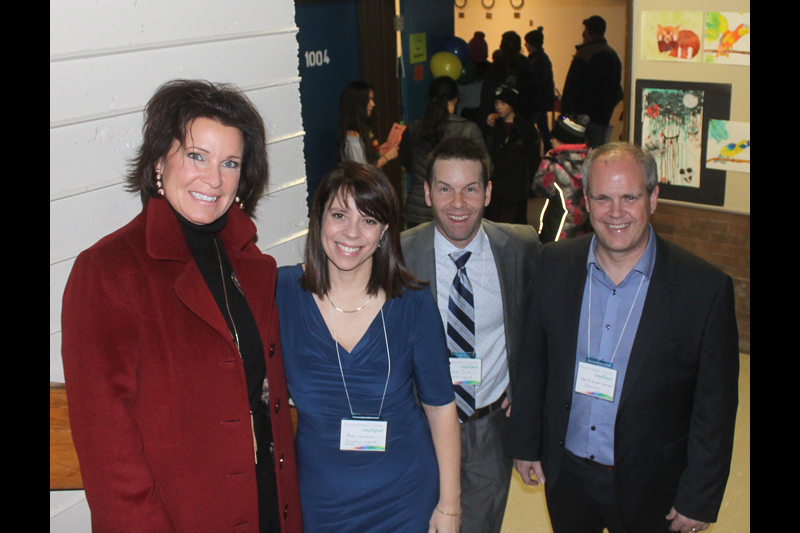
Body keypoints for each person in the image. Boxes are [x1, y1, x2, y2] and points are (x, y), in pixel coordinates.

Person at [61, 79, 302, 532]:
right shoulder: (108, 272)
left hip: (269, 508)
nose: (214, 178)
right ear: (158, 162)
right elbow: (107, 454)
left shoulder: (249, 262)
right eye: (197, 156)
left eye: (230, 163)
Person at [507, 142, 740, 533]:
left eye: (629, 197)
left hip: (654, 486)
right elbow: (534, 360)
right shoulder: (554, 263)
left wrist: (700, 495)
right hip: (568, 475)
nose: (615, 213)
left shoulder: (704, 290)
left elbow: (715, 407)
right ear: (586, 201)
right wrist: (526, 444)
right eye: (603, 198)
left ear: (653, 199)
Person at [276, 162, 461, 532]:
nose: (352, 233)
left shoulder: (411, 302)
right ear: (319, 218)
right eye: (340, 215)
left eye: (369, 220)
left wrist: (450, 505)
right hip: (319, 502)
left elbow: (441, 408)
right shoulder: (281, 292)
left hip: (406, 495)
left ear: (385, 232)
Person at [401, 137, 541, 533]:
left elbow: (539, 328)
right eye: (445, 188)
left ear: (488, 192)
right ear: (427, 193)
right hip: (420, 428)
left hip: (488, 429)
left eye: (470, 189)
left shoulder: (522, 247)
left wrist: (526, 389)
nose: (458, 203)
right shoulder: (398, 255)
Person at [402, 76, 487, 228]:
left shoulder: (414, 128)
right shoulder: (468, 130)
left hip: (418, 207)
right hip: (457, 208)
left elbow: (407, 163)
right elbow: (485, 169)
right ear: (455, 99)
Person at [560, 16, 623, 148]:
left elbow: (572, 87)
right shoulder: (613, 55)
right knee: (595, 154)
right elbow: (618, 92)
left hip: (579, 118)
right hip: (602, 118)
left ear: (588, 32)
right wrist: (607, 109)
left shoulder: (584, 55)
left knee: (576, 153)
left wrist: (565, 113)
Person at [484, 84, 541, 225]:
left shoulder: (525, 129)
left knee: (512, 224)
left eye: (503, 103)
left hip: (516, 188)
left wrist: (531, 186)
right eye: (496, 103)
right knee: (494, 223)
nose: (498, 107)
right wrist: (489, 130)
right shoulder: (494, 126)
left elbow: (533, 159)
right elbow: (486, 151)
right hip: (496, 186)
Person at [533, 114, 592, 243]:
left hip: (559, 231)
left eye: (553, 137)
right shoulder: (592, 162)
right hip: (584, 229)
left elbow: (539, 188)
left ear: (561, 139)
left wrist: (546, 161)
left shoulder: (555, 165)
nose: (551, 140)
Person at [478, 31, 537, 131]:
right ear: (519, 47)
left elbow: (487, 95)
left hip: (498, 117)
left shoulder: (496, 67)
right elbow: (532, 94)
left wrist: (486, 119)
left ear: (502, 46)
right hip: (522, 117)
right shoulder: (527, 66)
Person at [338, 81, 398, 169]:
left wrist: (376, 151)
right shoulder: (353, 138)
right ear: (358, 103)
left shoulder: (360, 131)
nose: (373, 104)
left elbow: (363, 160)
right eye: (369, 99)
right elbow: (362, 171)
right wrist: (387, 157)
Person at [524, 27, 556, 153]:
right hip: (541, 100)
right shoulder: (541, 58)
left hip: (536, 101)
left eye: (527, 42)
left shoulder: (537, 60)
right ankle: (549, 150)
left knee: (531, 126)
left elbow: (537, 82)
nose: (525, 44)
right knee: (543, 127)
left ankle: (535, 149)